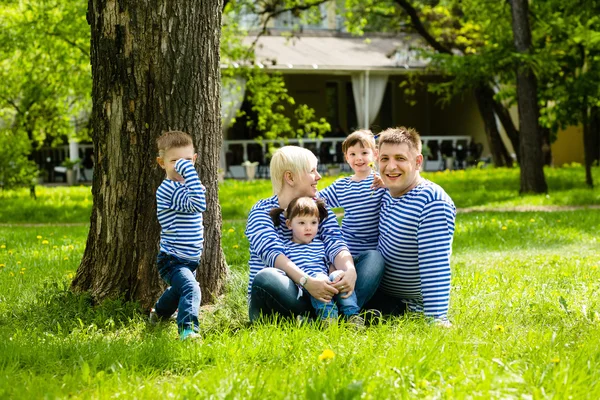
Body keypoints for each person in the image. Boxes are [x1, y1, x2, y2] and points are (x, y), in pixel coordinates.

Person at [245, 146, 385, 323]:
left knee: (373, 259)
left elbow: (335, 243)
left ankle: (324, 317)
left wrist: (349, 271)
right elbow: (273, 255)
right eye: (312, 171)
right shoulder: (261, 211)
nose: (318, 176)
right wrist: (307, 282)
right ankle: (335, 315)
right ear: (290, 177)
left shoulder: (319, 208)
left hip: (322, 287)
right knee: (266, 277)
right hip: (290, 292)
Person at [365, 127, 456, 326]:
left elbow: (435, 266)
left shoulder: (431, 201)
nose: (391, 167)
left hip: (403, 305)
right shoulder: (387, 193)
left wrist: (436, 319)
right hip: (377, 290)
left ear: (417, 162)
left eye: (400, 158)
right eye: (385, 159)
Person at [270, 197, 364, 328]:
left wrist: (336, 277)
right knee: (320, 278)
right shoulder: (286, 248)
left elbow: (330, 265)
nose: (308, 228)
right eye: (302, 223)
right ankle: (328, 319)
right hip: (303, 288)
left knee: (338, 274)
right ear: (289, 224)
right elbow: (286, 272)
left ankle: (352, 316)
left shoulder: (321, 245)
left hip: (325, 282)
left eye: (313, 223)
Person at [149, 131, 206, 340]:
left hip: (190, 258)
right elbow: (199, 204)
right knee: (191, 288)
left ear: (195, 159)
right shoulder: (168, 190)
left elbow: (198, 198)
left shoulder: (188, 186)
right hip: (172, 259)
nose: (182, 166)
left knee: (179, 291)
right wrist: (190, 173)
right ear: (161, 163)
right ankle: (188, 330)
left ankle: (159, 314)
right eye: (175, 161)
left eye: (187, 161)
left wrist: (189, 175)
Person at [318, 129, 385, 259]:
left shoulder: (380, 182)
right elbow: (316, 198)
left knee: (373, 261)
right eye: (352, 154)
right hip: (345, 250)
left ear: (375, 154)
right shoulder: (341, 185)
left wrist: (387, 185)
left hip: (371, 252)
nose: (358, 158)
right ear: (346, 157)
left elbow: (400, 192)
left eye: (364, 152)